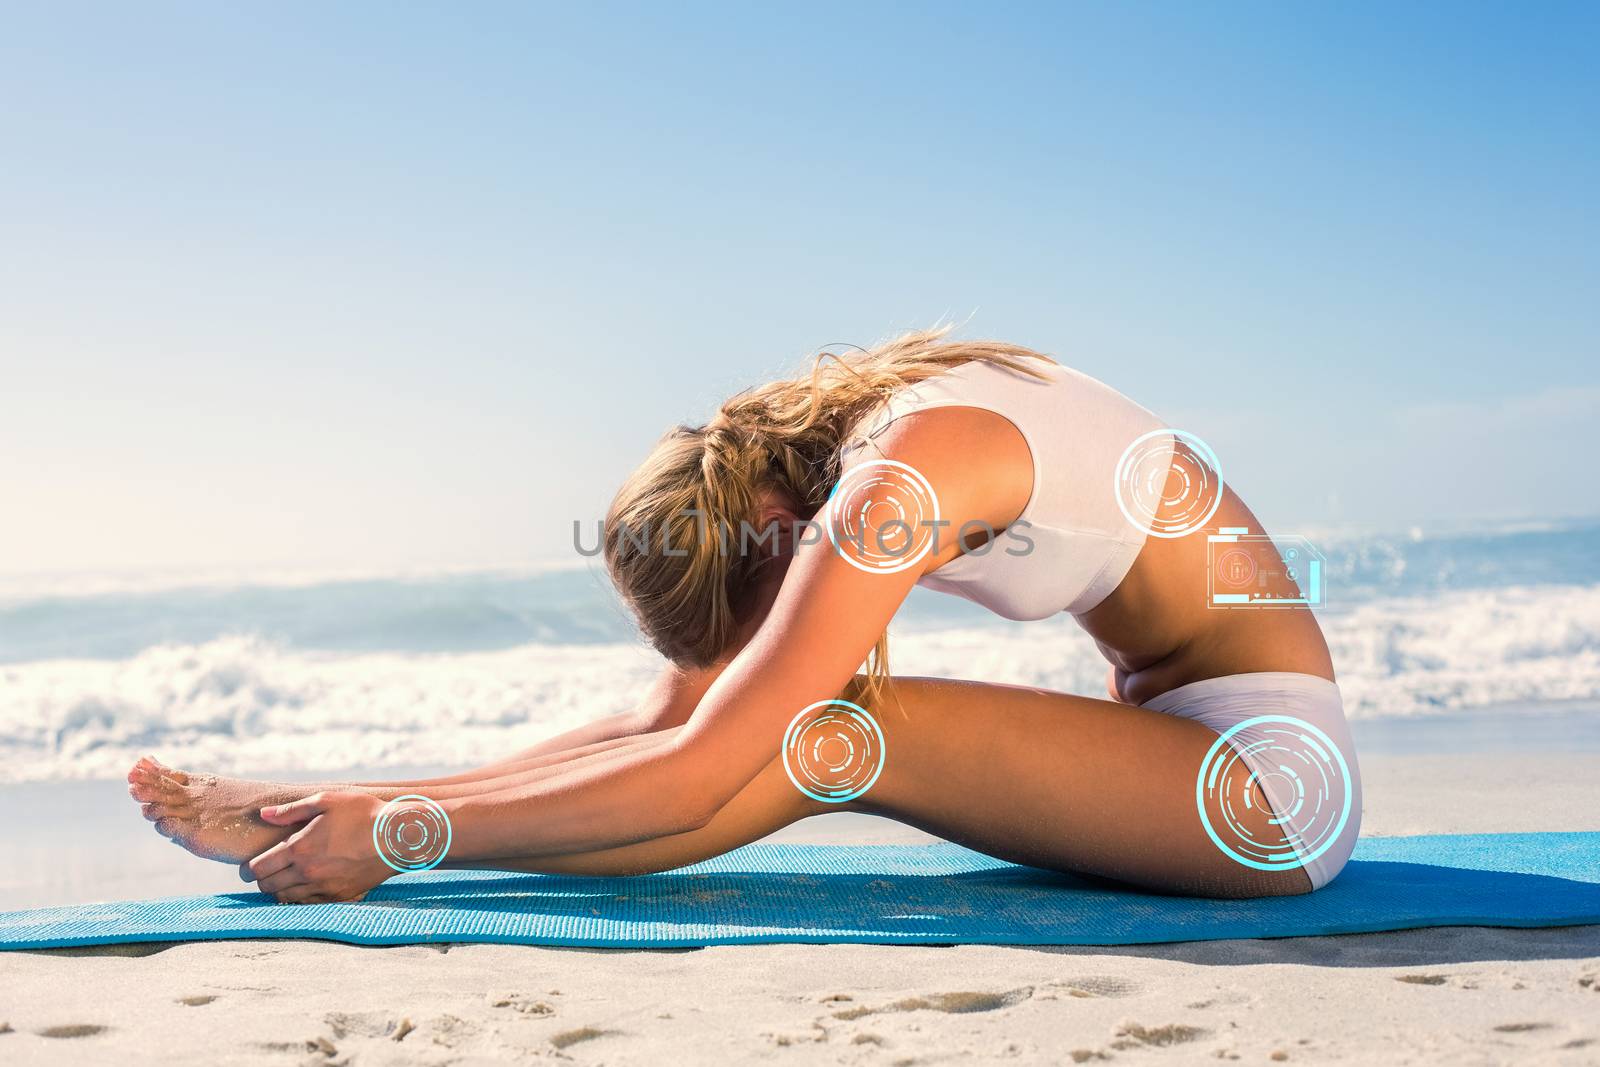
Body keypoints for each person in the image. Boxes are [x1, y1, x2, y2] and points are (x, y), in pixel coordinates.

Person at [129, 327, 1360, 903]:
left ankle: (365, 838)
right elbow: (677, 711)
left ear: (770, 535)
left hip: (1270, 794)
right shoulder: (819, 451)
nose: (762, 645)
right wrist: (372, 793)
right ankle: (322, 814)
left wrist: (401, 832)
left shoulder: (894, 485)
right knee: (792, 716)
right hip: (1176, 753)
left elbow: (704, 763)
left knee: (830, 736)